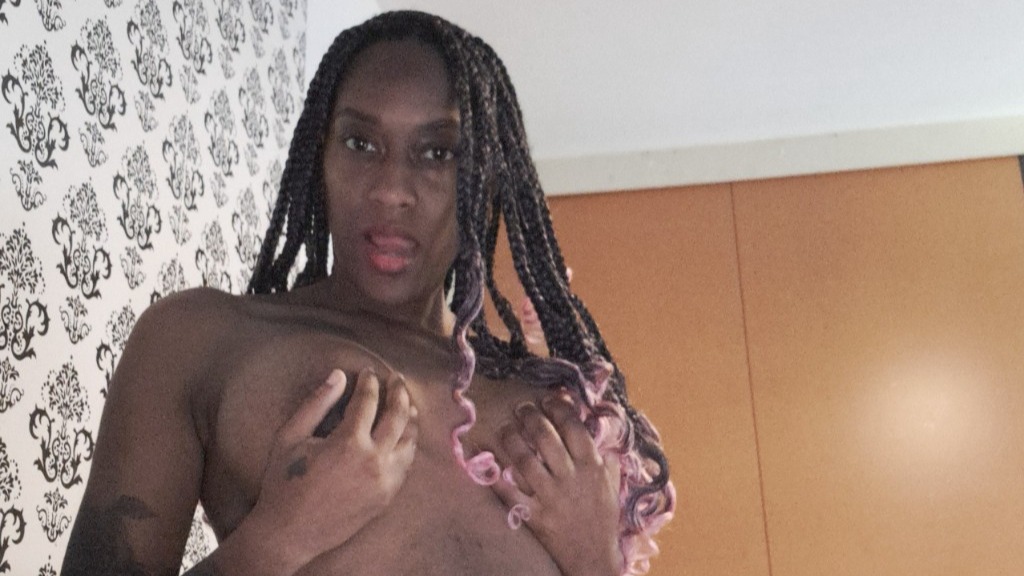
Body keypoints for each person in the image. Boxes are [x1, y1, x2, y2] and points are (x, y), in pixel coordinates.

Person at [62, 10, 674, 576]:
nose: (390, 191)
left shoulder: (551, 417)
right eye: (360, 143)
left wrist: (596, 560)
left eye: (437, 152)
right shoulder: (198, 341)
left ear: (484, 180)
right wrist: (278, 540)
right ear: (319, 157)